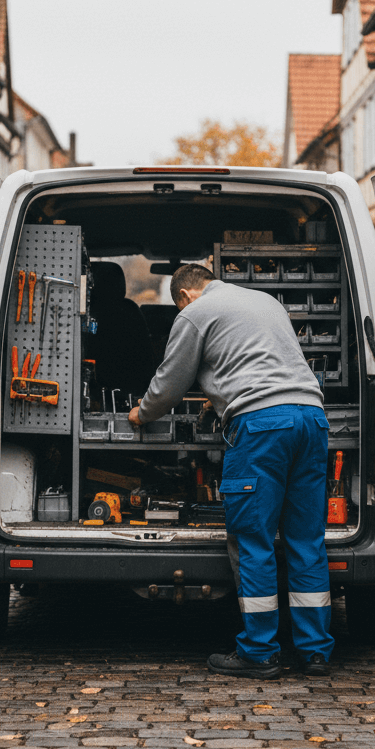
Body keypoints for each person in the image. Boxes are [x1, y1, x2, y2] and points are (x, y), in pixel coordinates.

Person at [127, 263, 334, 679]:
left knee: (253, 538)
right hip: (312, 419)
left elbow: (169, 384)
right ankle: (315, 653)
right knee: (306, 539)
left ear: (184, 295)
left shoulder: (194, 312)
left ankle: (259, 653)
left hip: (261, 429)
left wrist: (140, 413)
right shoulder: (263, 301)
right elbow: (262, 364)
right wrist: (219, 398)